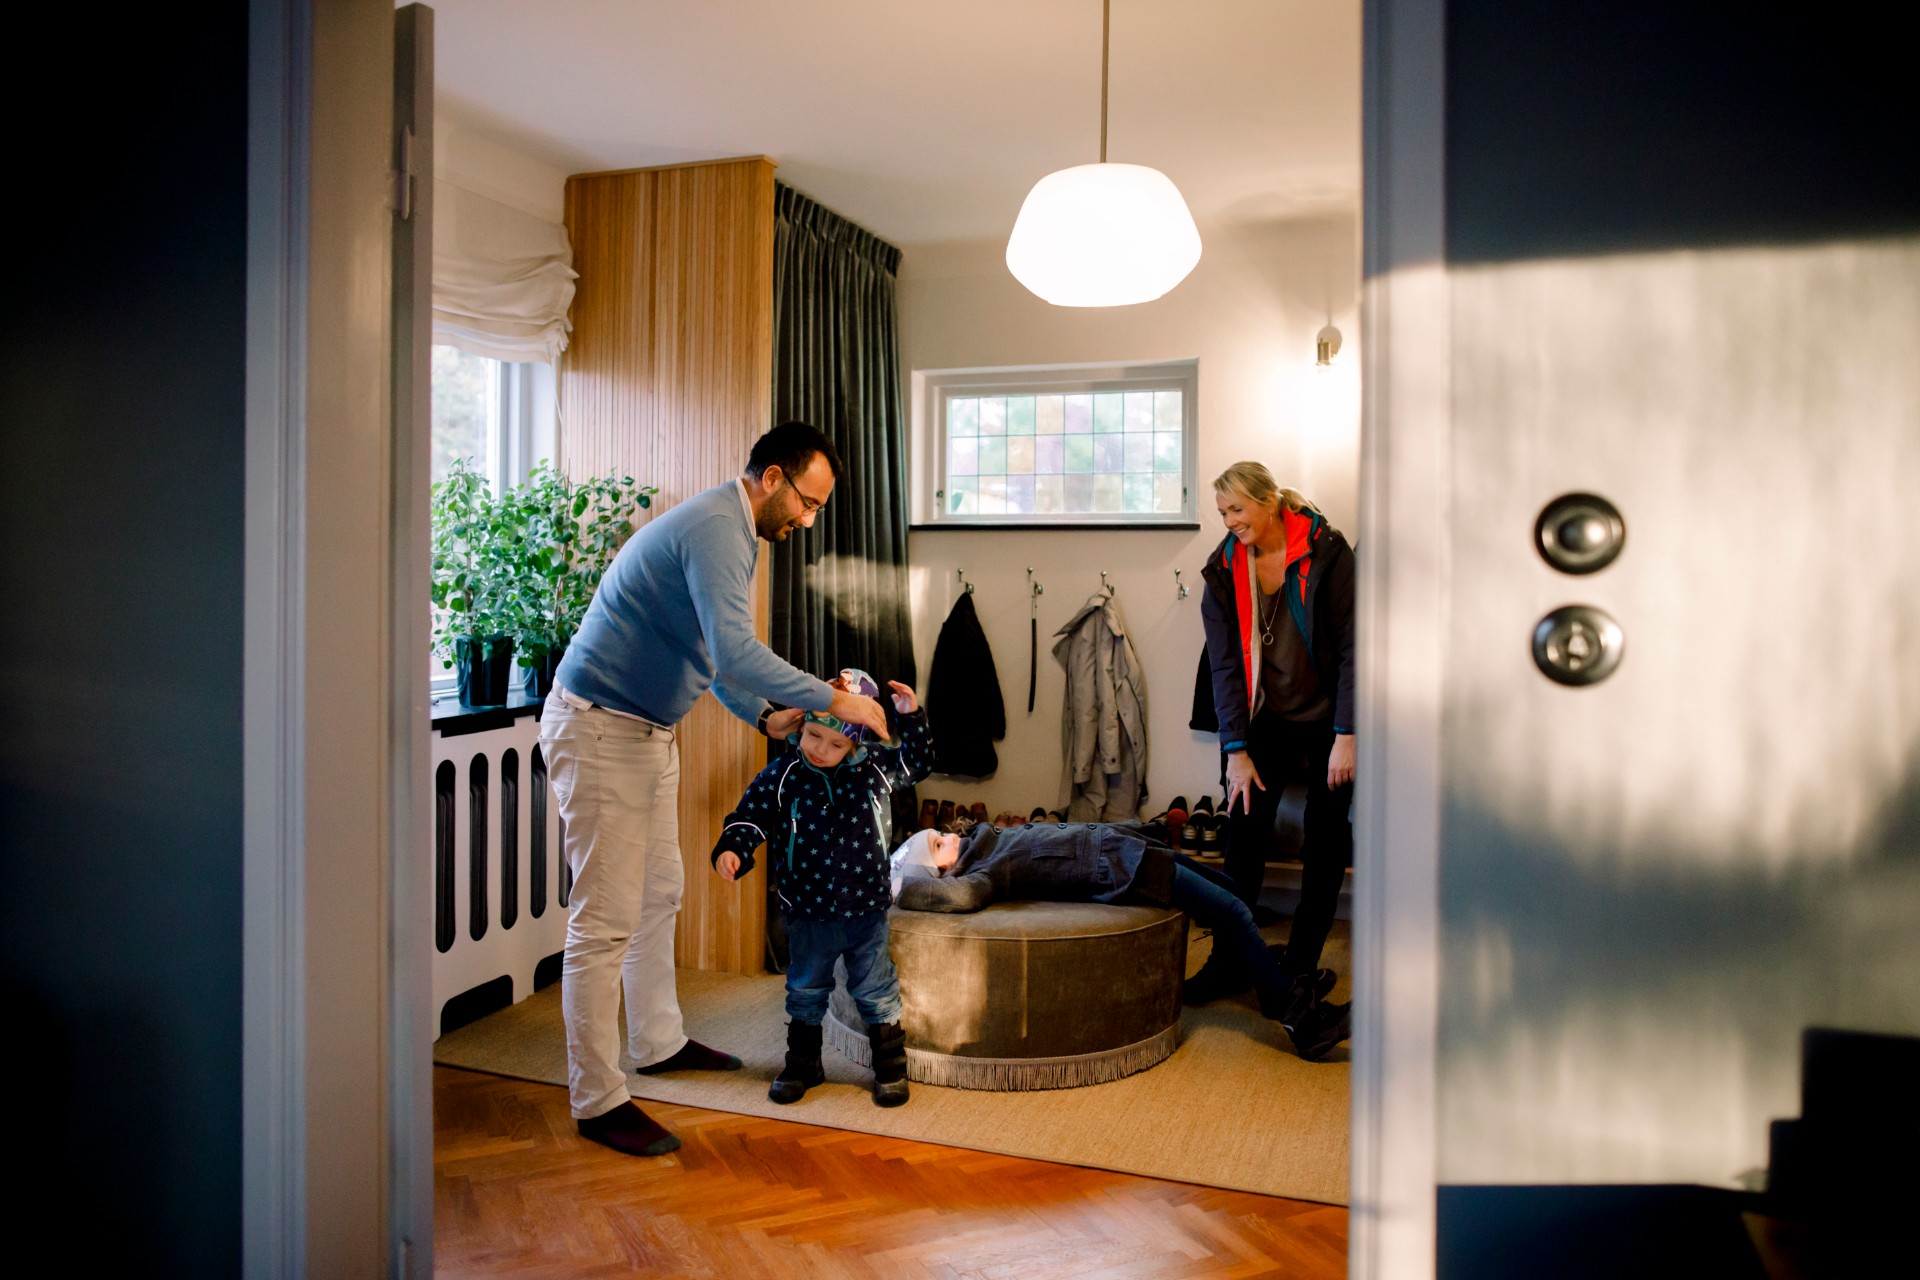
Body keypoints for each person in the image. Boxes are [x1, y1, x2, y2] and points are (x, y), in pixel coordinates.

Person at [538, 422, 891, 1158]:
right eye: (807, 502)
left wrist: (765, 714)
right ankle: (597, 1098)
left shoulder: (734, 532)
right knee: (603, 920)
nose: (807, 519)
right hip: (598, 728)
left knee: (659, 892)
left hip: (646, 731)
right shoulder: (717, 529)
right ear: (771, 479)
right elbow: (736, 650)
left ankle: (659, 1042)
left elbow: (709, 657)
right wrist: (839, 703)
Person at [889, 821, 1349, 1060]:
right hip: (1123, 868)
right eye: (938, 845)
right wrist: (891, 886)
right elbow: (961, 897)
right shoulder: (982, 871)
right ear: (942, 872)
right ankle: (1296, 1017)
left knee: (1231, 892)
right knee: (1232, 911)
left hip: (1130, 846)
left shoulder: (984, 842)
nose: (949, 836)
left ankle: (1262, 977)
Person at [710, 670, 932, 1107]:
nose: (821, 750)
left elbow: (917, 763)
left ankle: (890, 1066)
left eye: (836, 744)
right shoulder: (784, 774)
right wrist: (733, 848)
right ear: (801, 726)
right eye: (813, 736)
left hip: (865, 910)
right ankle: (804, 1063)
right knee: (805, 988)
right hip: (807, 910)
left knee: (875, 989)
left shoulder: (876, 772)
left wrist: (911, 716)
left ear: (857, 743)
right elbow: (749, 814)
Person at [1190, 462, 1356, 1031]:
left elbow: (1357, 647)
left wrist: (1348, 733)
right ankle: (1229, 957)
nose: (1230, 522)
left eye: (1238, 509)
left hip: (1331, 717)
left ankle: (1303, 967)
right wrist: (1235, 750)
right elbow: (1225, 667)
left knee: (1326, 840)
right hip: (1265, 720)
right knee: (1243, 836)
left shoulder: (1327, 553)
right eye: (1222, 513)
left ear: (1269, 502)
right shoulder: (1221, 570)